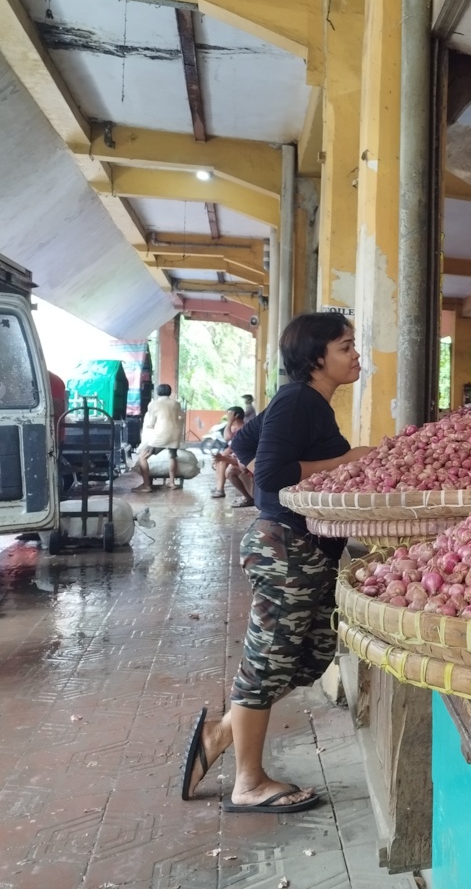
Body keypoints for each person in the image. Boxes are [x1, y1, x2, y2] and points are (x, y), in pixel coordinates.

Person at [180, 312, 372, 814]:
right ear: (316, 358)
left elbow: (244, 446)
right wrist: (348, 461)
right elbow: (270, 475)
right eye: (346, 347)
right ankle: (248, 783)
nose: (356, 355)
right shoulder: (298, 400)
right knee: (267, 665)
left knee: (309, 658)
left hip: (306, 552)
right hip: (287, 549)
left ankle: (221, 733)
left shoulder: (305, 404)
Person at [133, 383, 182, 491]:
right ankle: (172, 483)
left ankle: (146, 485)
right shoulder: (176, 404)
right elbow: (180, 417)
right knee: (172, 456)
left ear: (157, 392)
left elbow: (151, 423)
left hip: (161, 435)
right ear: (169, 392)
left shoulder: (153, 404)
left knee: (142, 457)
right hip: (175, 434)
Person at [211, 406, 254, 506]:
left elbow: (243, 461)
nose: (227, 416)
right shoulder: (235, 430)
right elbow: (230, 446)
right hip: (242, 461)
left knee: (226, 466)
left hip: (248, 467)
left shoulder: (243, 430)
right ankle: (219, 488)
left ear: (236, 416)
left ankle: (220, 489)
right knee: (221, 460)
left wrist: (223, 458)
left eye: (229, 414)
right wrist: (220, 457)